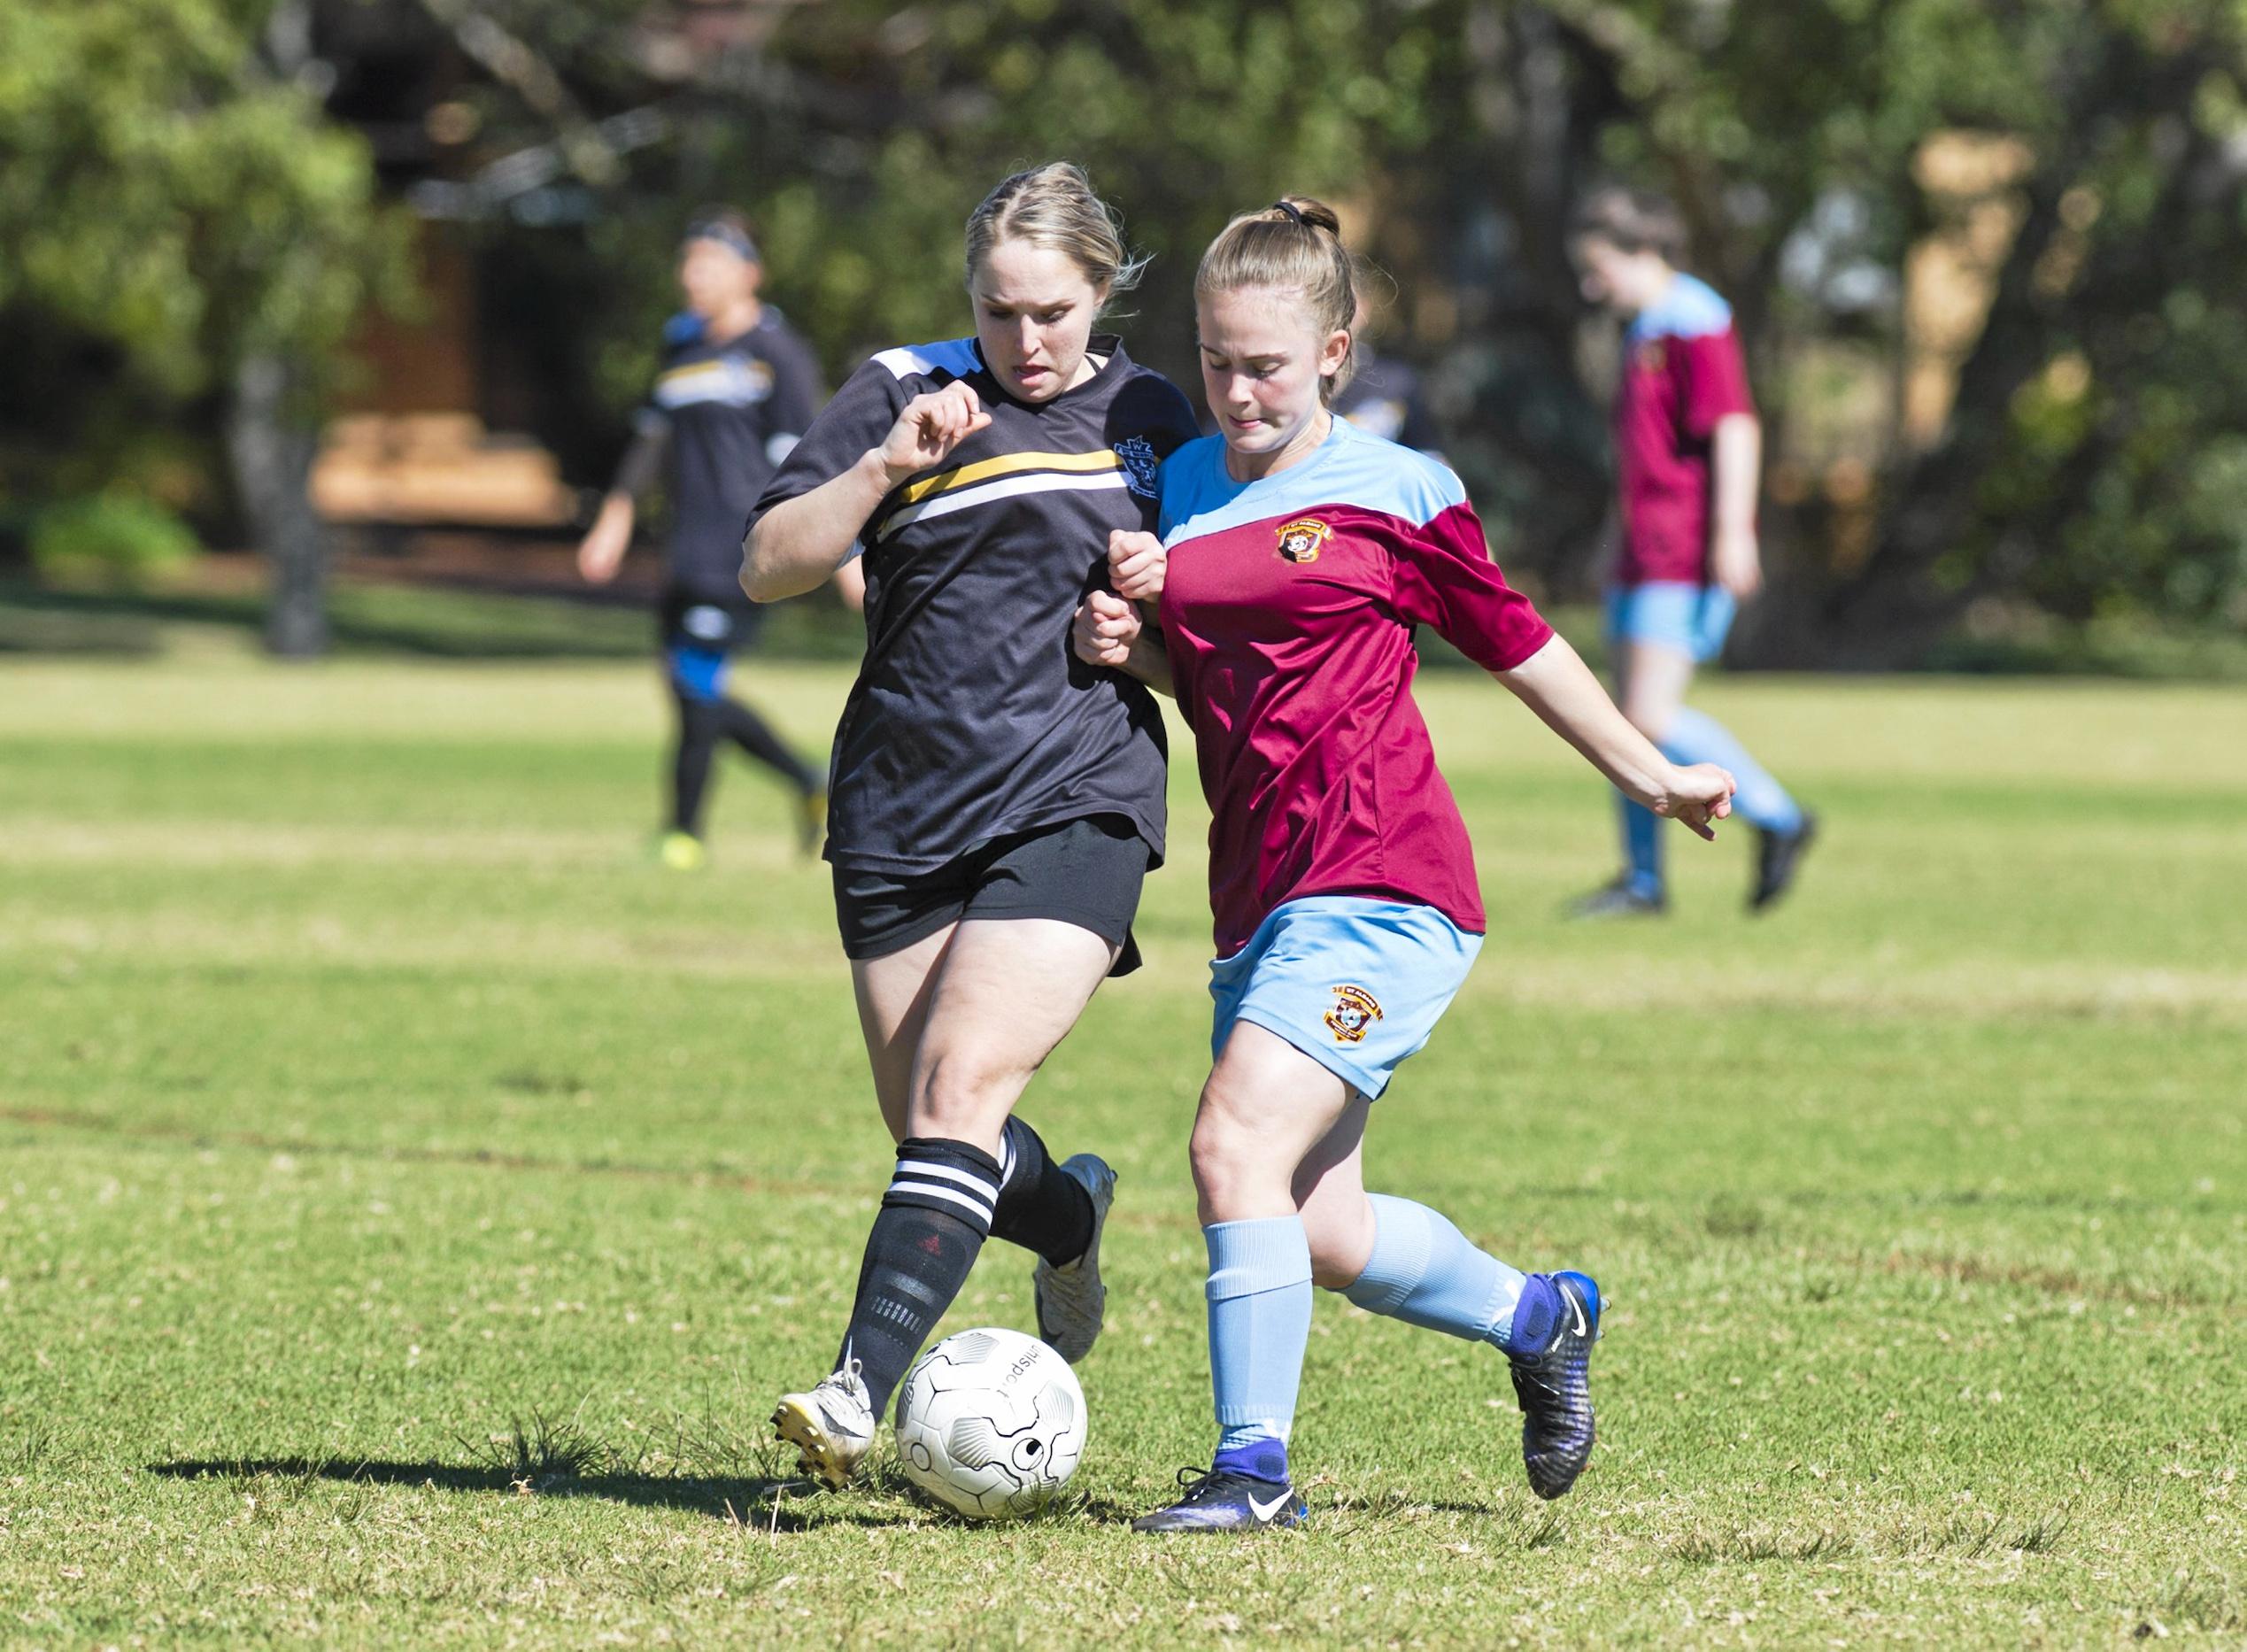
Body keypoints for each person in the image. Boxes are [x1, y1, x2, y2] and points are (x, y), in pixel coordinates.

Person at [1069, 197, 1736, 1532]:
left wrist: (1649, 773)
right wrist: (1123, 642)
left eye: (1265, 362)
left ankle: (1252, 1472)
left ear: (1333, 350)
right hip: (1258, 888)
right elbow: (1212, 677)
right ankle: (1540, 1315)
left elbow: (1521, 642)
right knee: (1316, 1228)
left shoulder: (1398, 487)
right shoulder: (1185, 482)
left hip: (1386, 886)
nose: (1238, 388)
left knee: (1231, 1140)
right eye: (1215, 360)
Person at [740, 164, 1201, 1489]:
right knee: (936, 1128)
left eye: (1053, 312)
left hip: (1076, 792)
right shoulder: (898, 387)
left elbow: (1212, 642)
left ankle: (850, 1391)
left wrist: (1147, 636)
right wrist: (887, 465)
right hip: (896, 804)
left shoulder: (1153, 418)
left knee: (957, 1089)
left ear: (1101, 292)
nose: (1027, 342)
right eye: (1000, 314)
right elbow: (767, 562)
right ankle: (1069, 1217)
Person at [1566, 186, 1816, 916]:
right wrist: (1611, 539)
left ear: (1643, 252)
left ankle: (1777, 814)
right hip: (1640, 549)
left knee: (1647, 714)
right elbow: (1644, 457)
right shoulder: (1644, 328)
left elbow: (1734, 425)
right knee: (1623, 718)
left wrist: (1733, 531)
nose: (1590, 285)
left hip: (1682, 550)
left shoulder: (1695, 319)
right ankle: (1642, 881)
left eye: (1597, 266)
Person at [577, 209, 847, 870]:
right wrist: (613, 519)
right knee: (687, 687)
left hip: (744, 548)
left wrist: (843, 551)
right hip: (684, 546)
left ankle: (684, 833)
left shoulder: (777, 351)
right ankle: (809, 781)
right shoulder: (680, 346)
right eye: (687, 262)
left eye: (710, 263)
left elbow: (813, 459)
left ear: (749, 273)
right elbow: (652, 440)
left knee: (696, 684)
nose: (692, 276)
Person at [1333, 295, 1443, 460]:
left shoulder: (1396, 382)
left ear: (1364, 308)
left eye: (1345, 301)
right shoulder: (1296, 379)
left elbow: (1429, 453)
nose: (1336, 312)